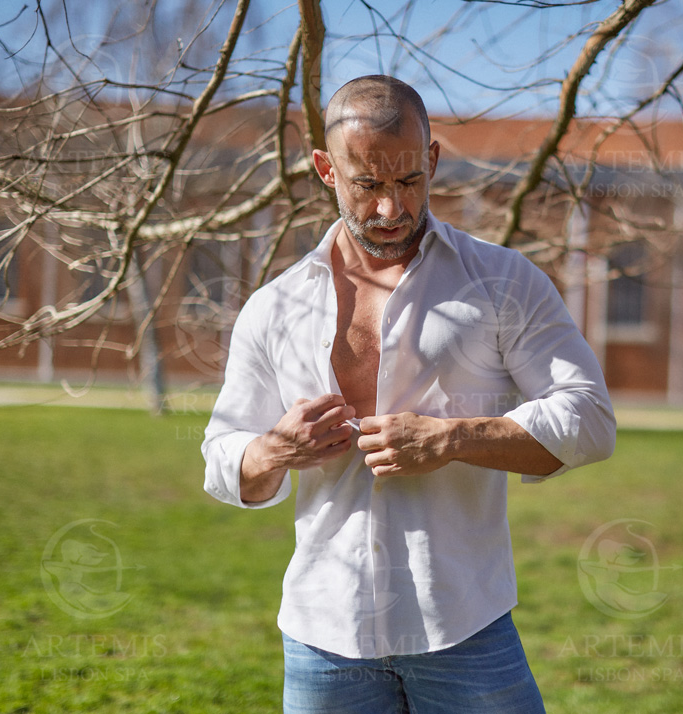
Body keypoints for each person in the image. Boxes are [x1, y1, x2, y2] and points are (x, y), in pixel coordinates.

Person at [202, 75, 616, 713]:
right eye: (367, 184)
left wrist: (452, 440)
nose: (391, 208)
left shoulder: (503, 282)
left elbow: (589, 418)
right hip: (323, 636)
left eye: (409, 180)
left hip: (465, 629)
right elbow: (223, 461)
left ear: (433, 159)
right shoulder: (274, 307)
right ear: (327, 170)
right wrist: (277, 448)